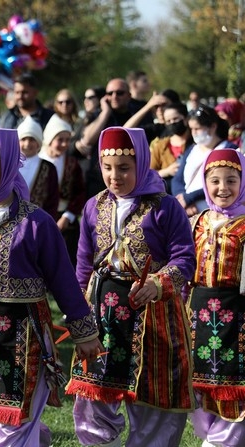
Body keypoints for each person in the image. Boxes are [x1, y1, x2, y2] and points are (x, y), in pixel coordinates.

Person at [0, 126, 100, 446]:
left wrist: (84, 332)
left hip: (27, 336)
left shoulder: (36, 222)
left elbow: (63, 279)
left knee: (16, 419)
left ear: (8, 164)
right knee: (4, 415)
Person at [66, 127, 196, 447]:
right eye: (107, 168)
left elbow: (185, 258)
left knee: (154, 401)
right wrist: (80, 313)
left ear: (142, 164)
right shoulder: (94, 206)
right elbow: (84, 262)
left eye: (124, 168)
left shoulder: (165, 206)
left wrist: (159, 282)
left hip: (154, 317)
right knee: (95, 394)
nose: (114, 176)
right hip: (103, 313)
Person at [186, 148, 245, 447]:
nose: (223, 188)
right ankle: (210, 437)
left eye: (232, 180)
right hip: (198, 314)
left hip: (237, 315)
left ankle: (225, 442)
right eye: (215, 180)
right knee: (200, 384)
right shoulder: (197, 222)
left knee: (233, 385)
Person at [171, 105, 238, 217]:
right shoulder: (192, 149)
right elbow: (177, 179)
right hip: (188, 212)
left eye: (197, 128)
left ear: (212, 127)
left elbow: (227, 183)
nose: (193, 133)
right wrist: (182, 199)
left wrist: (190, 197)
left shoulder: (229, 150)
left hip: (216, 214)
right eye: (191, 129)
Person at [39, 114, 86, 267]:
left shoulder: (72, 164)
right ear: (50, 140)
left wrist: (68, 216)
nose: (64, 144)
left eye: (67, 140)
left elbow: (79, 192)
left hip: (65, 220)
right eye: (60, 139)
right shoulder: (38, 162)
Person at [17, 115, 59, 219]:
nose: (27, 144)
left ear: (38, 143)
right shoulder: (9, 165)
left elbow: (53, 199)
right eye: (23, 139)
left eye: (32, 139)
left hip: (38, 223)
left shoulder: (48, 168)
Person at [149, 102, 193, 192]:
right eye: (168, 121)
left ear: (185, 118)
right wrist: (166, 171)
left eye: (175, 119)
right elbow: (148, 175)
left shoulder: (195, 142)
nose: (172, 123)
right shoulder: (160, 145)